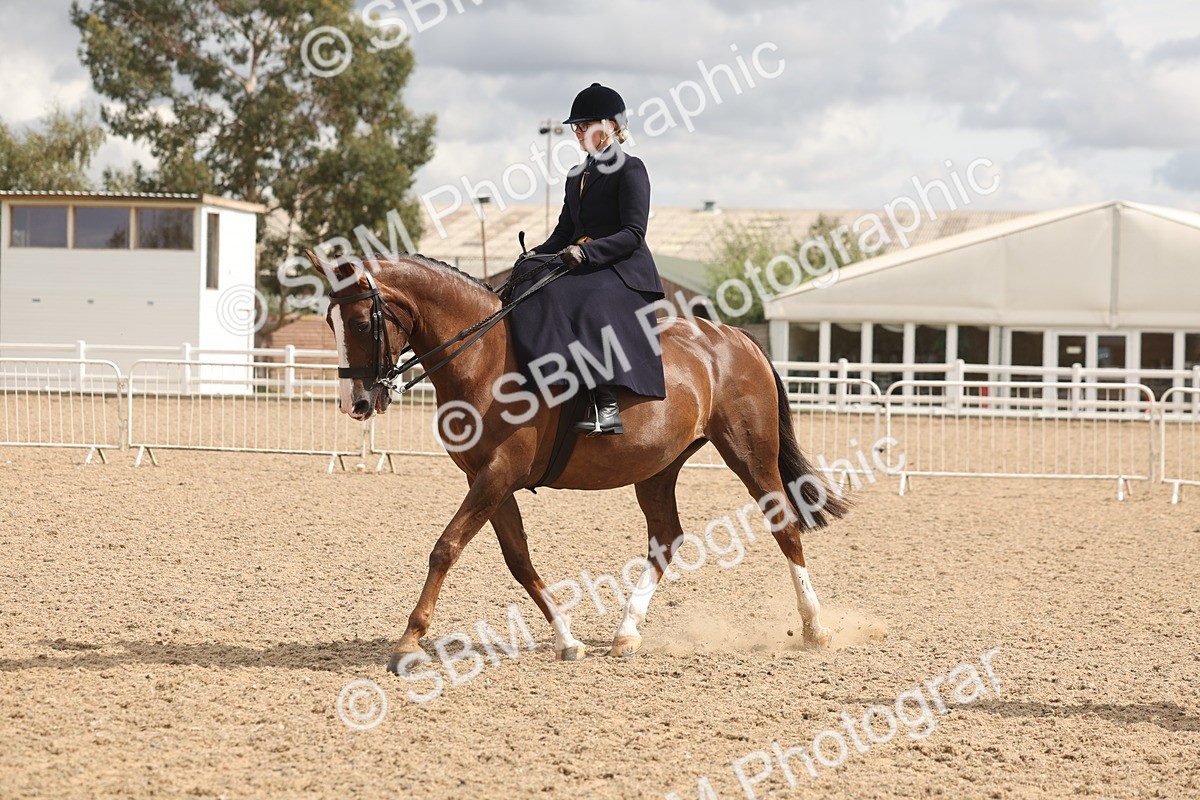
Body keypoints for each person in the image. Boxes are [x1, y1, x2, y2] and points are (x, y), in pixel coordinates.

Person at [508, 83, 666, 436]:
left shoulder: (631, 169)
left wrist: (586, 251)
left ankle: (606, 404)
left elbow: (633, 232)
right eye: (576, 127)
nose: (578, 132)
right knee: (528, 274)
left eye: (584, 125)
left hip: (622, 269)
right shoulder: (576, 175)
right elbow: (564, 232)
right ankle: (541, 372)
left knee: (584, 297)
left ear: (611, 126)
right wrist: (535, 255)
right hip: (582, 262)